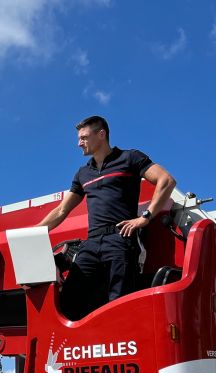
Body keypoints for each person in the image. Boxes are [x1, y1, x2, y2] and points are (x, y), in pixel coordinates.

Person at [37, 115, 176, 320]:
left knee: (119, 303)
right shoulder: (83, 173)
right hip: (92, 243)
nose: (79, 143)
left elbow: (166, 180)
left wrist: (145, 217)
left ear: (101, 134)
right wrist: (33, 233)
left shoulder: (130, 158)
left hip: (120, 239)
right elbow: (61, 210)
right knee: (68, 300)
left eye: (84, 137)